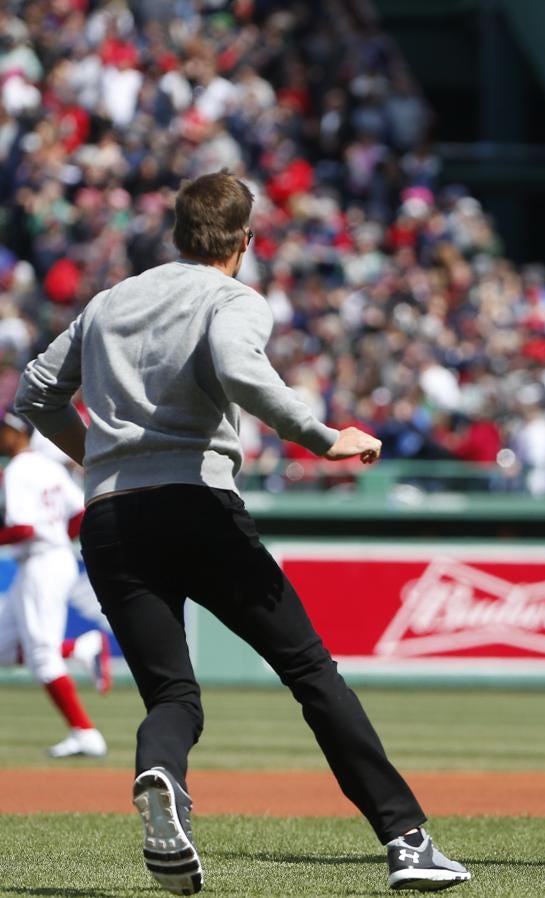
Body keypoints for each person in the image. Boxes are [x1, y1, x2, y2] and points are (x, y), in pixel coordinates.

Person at [16, 172, 470, 895]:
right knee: (311, 672)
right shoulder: (231, 297)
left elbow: (33, 392)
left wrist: (96, 458)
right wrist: (323, 440)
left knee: (173, 697)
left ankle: (160, 773)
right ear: (246, 241)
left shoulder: (107, 303)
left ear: (177, 232)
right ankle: (407, 841)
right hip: (197, 505)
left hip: (110, 519)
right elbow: (237, 367)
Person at [0, 409, 111, 758]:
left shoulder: (17, 470)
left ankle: (85, 733)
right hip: (53, 559)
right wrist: (58, 539)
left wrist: (48, 539)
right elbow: (80, 512)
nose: (1, 436)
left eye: (5, 430)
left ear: (20, 434)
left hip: (41, 563)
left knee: (43, 657)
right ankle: (79, 649)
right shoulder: (49, 465)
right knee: (7, 648)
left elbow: (24, 528)